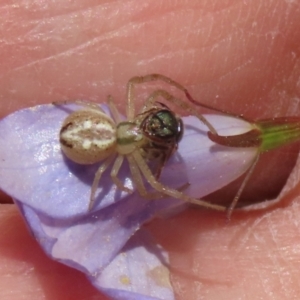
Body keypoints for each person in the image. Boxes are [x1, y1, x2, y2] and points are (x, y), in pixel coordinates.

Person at [1, 1, 300, 299]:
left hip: (88, 132)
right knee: (152, 185)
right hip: (81, 139)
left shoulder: (133, 121)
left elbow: (149, 90)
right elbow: (137, 182)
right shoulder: (126, 155)